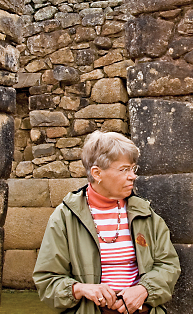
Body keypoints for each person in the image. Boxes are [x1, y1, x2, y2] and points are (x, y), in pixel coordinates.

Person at [34, 131, 180, 314]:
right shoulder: (65, 218)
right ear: (97, 173)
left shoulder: (145, 214)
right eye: (124, 169)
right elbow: (47, 281)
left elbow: (169, 265)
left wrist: (145, 289)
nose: (132, 176)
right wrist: (81, 289)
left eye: (132, 169)